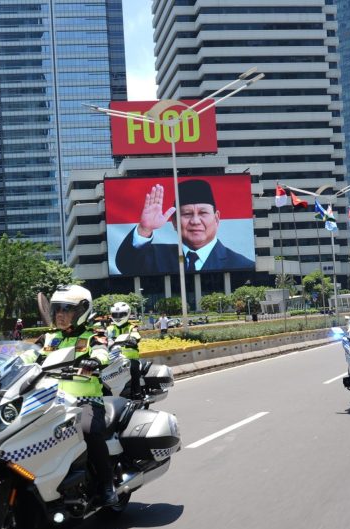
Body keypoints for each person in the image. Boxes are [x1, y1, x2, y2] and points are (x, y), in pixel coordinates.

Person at [37, 285, 117, 506]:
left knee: (89, 431)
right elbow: (29, 357)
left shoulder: (93, 337)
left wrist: (95, 361)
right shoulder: (50, 339)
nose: (60, 315)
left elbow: (103, 353)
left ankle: (106, 484)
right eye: (57, 310)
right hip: (52, 401)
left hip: (86, 402)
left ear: (82, 311)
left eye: (67, 310)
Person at [114, 179, 255, 275]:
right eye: (187, 214)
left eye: (203, 213)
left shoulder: (241, 264)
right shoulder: (155, 256)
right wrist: (145, 229)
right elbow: (126, 265)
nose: (195, 221)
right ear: (174, 222)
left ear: (216, 218)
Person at [106, 301, 143, 399]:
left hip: (130, 358)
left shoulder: (132, 327)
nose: (118, 317)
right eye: (115, 314)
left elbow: (136, 335)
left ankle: (137, 394)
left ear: (127, 314)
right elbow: (103, 338)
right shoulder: (109, 329)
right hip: (113, 358)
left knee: (133, 368)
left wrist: (133, 340)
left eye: (121, 314)